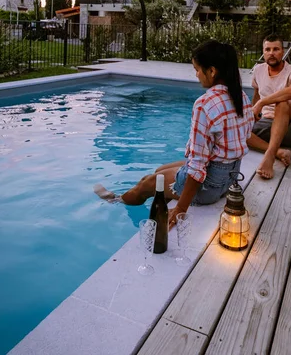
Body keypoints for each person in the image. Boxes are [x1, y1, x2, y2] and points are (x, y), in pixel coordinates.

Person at [94, 40, 254, 228]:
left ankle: (118, 200)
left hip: (208, 188)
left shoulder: (205, 104)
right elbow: (243, 138)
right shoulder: (241, 97)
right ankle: (138, 196)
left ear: (212, 71)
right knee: (160, 170)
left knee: (148, 183)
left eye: (197, 69)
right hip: (230, 180)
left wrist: (180, 209)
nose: (196, 75)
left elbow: (196, 167)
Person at [247, 34, 291, 180]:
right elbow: (256, 95)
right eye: (267, 49)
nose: (271, 53)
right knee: (235, 129)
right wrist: (251, 116)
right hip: (269, 125)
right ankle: (279, 152)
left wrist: (261, 103)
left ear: (283, 52)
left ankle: (269, 156)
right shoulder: (258, 70)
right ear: (263, 51)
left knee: (282, 104)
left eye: (276, 49)